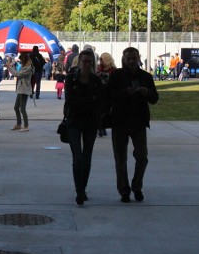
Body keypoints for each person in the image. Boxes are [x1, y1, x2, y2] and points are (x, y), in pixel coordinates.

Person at [109, 47, 159, 203]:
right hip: (119, 121)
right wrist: (126, 92)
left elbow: (155, 98)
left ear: (139, 58)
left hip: (139, 121)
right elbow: (109, 95)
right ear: (124, 59)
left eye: (133, 58)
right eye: (128, 58)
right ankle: (124, 190)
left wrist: (147, 92)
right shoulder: (116, 75)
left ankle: (137, 186)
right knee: (120, 158)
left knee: (142, 156)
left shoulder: (146, 77)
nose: (131, 61)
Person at [64, 49, 105, 206]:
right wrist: (90, 99)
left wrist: (83, 100)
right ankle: (79, 190)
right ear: (79, 62)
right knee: (77, 158)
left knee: (87, 157)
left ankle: (83, 188)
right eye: (85, 61)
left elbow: (99, 101)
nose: (87, 64)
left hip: (90, 122)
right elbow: (70, 100)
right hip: (74, 121)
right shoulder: (71, 79)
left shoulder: (96, 80)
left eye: (90, 61)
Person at [7, 52, 33, 131]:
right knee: (16, 108)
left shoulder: (28, 68)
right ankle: (18, 124)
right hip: (21, 89)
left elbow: (17, 74)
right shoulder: (24, 67)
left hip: (24, 90)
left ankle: (26, 126)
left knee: (22, 108)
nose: (20, 62)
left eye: (21, 60)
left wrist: (9, 67)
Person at [96, 52, 116, 137]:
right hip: (100, 93)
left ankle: (103, 126)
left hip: (108, 94)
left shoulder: (113, 70)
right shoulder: (98, 69)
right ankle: (101, 128)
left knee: (106, 111)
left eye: (101, 59)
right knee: (100, 111)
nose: (100, 61)